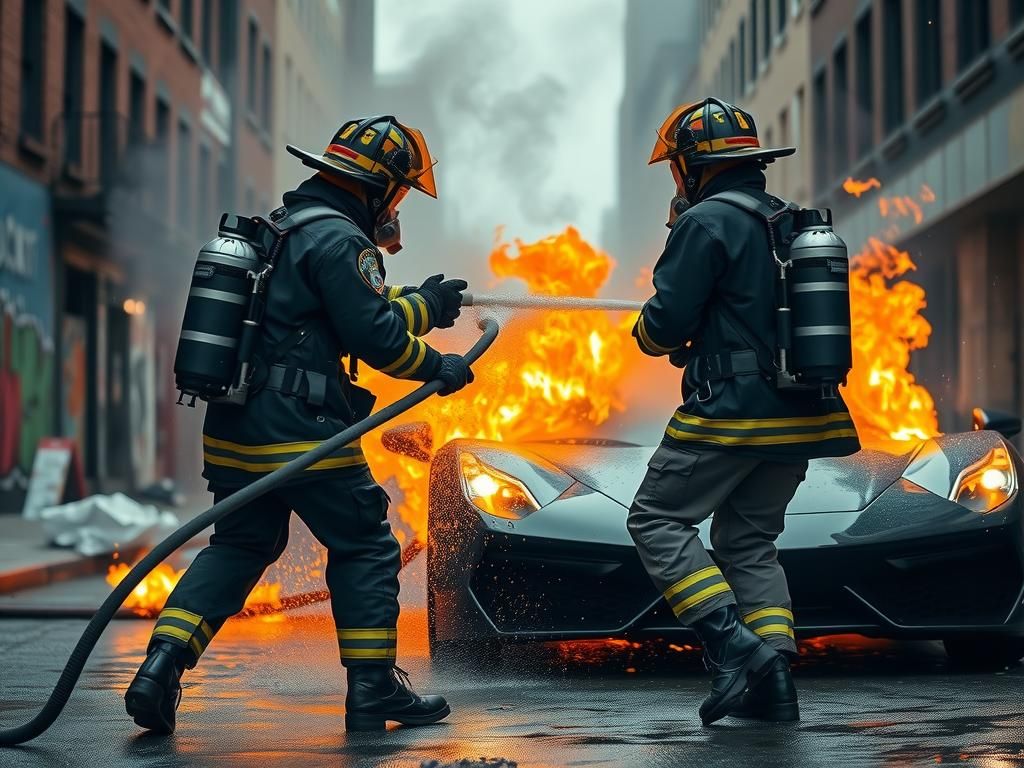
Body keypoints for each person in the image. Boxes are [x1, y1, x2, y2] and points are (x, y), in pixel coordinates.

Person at [126, 116, 471, 734]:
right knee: (364, 542)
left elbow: (340, 319)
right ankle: (372, 689)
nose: (395, 208)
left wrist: (426, 305)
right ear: (373, 187)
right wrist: (440, 365)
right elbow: (382, 341)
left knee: (241, 544)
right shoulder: (343, 241)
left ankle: (160, 666)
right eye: (395, 194)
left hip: (235, 428)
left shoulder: (283, 231)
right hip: (303, 431)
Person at [628, 98, 860, 725]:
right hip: (800, 417)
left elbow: (661, 327)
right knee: (750, 543)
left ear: (693, 166)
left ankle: (732, 646)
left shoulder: (704, 224)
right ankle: (774, 686)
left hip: (731, 414)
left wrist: (653, 331)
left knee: (656, 520)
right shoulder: (787, 222)